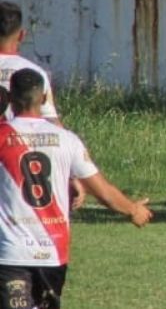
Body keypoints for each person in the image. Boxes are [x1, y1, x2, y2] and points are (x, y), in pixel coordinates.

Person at [0, 68, 152, 309]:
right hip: (53, 251)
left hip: (10, 252)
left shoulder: (3, 135)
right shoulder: (67, 139)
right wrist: (133, 209)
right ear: (44, 98)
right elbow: (102, 190)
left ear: (9, 98)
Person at [0, 1, 86, 210]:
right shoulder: (33, 74)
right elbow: (51, 123)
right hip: (15, 164)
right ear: (22, 35)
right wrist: (72, 174)